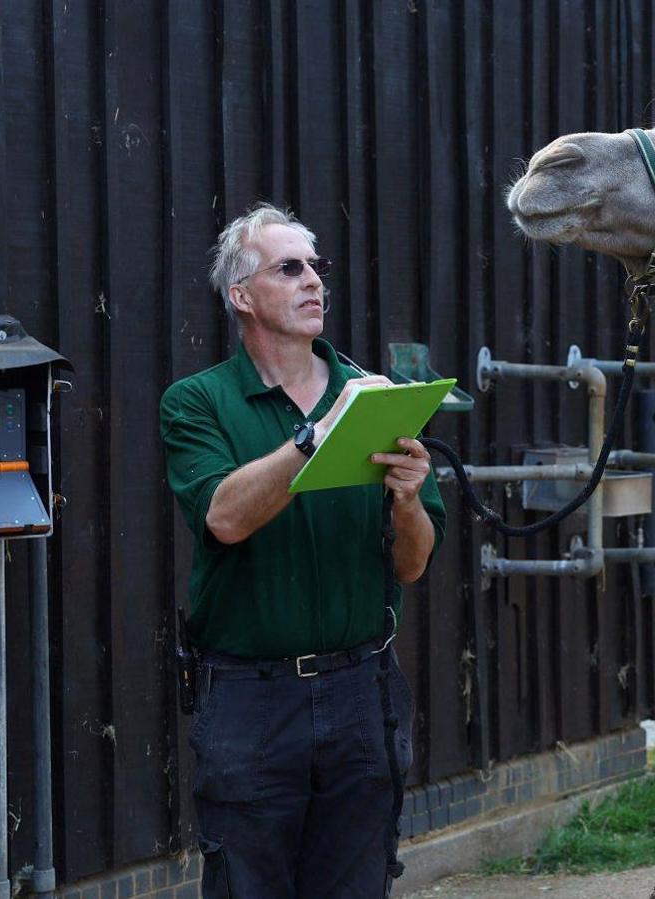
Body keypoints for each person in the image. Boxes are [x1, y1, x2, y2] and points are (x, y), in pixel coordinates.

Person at [159, 203, 444, 898]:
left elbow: (412, 563)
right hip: (251, 700)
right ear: (241, 296)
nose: (313, 281)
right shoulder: (197, 401)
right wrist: (321, 432)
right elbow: (224, 516)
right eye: (289, 268)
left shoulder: (375, 397)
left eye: (316, 267)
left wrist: (408, 498)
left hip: (361, 691)